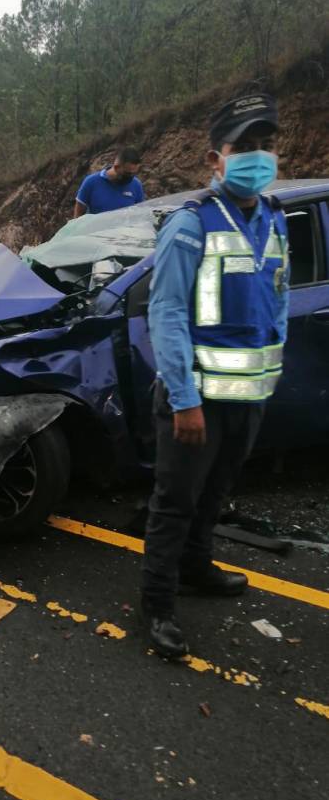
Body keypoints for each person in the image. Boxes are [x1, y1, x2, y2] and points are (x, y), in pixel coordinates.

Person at [142, 94, 289, 658]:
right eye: (243, 148)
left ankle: (197, 569)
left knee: (216, 494)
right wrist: (183, 399)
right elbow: (168, 313)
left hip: (247, 397)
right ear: (215, 158)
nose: (256, 157)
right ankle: (156, 606)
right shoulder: (190, 223)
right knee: (174, 502)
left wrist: (272, 375)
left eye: (265, 146)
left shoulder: (274, 218)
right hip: (195, 399)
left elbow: (276, 305)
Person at [74, 147, 144, 217]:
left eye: (134, 173)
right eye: (127, 173)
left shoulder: (136, 185)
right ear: (116, 167)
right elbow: (78, 213)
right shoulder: (91, 182)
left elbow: (140, 215)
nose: (131, 177)